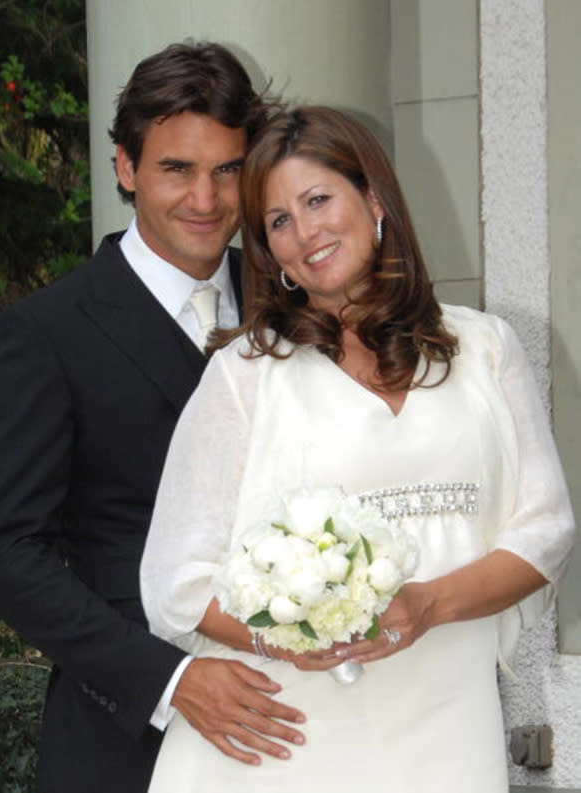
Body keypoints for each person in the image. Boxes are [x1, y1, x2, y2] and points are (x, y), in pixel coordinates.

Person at [140, 106, 576, 792]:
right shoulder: (248, 374)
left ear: (373, 200)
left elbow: (546, 531)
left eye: (318, 200)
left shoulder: (486, 349)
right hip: (288, 736)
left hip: (449, 728)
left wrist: (430, 603)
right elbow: (174, 584)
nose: (303, 232)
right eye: (278, 220)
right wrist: (284, 635)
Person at [0, 43, 307, 793]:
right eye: (176, 169)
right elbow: (6, 555)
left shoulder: (296, 302)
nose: (207, 199)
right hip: (127, 735)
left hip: (307, 716)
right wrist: (172, 676)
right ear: (125, 168)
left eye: (227, 169)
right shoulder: (46, 331)